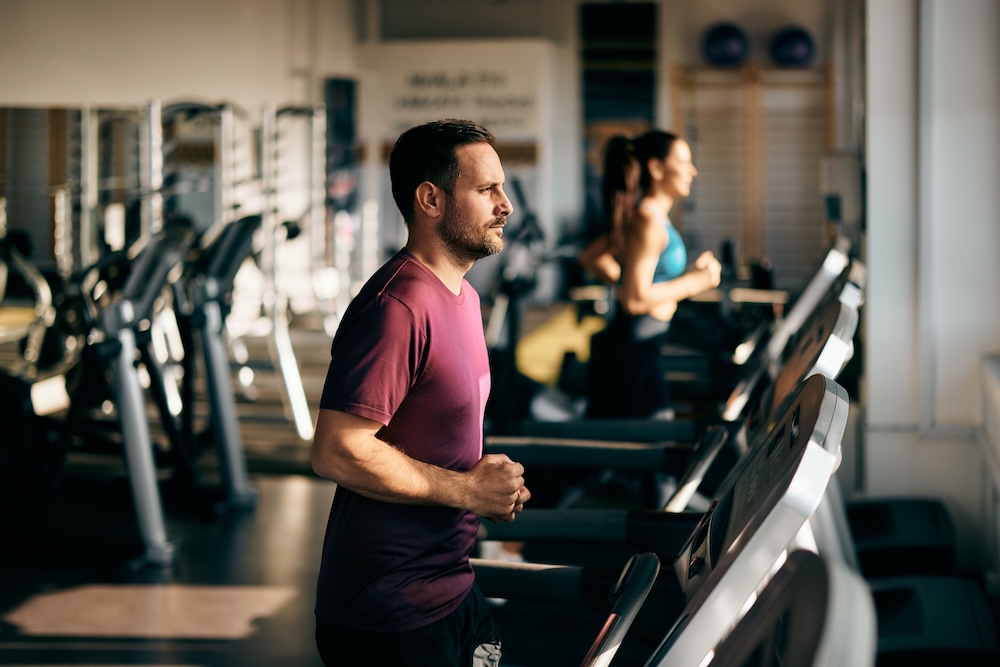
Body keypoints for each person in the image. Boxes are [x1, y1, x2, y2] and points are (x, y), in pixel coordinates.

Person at [311, 118, 531, 666]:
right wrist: (467, 492)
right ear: (430, 199)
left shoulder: (464, 297)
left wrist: (489, 481)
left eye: (502, 189)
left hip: (453, 585)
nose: (505, 205)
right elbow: (338, 448)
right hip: (390, 612)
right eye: (486, 190)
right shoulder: (398, 307)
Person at [580, 130, 722, 419]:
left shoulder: (647, 217)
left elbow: (593, 257)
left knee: (658, 429)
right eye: (683, 162)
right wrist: (697, 281)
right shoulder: (646, 220)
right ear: (656, 168)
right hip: (631, 347)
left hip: (644, 344)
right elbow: (635, 300)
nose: (692, 171)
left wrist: (624, 283)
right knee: (629, 448)